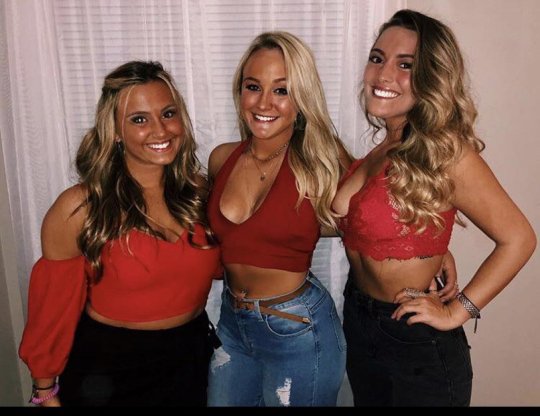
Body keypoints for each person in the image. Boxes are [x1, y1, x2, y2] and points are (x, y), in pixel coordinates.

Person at [333, 9, 537, 406]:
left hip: (415, 342)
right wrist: (435, 248)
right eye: (377, 58)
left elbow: (519, 239)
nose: (383, 74)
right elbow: (387, 221)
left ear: (432, 76)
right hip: (359, 321)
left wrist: (458, 311)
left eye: (405, 65)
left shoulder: (448, 153)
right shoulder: (382, 149)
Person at [18, 61, 222, 407]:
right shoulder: (80, 207)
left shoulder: (199, 193)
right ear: (114, 130)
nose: (160, 130)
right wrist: (45, 390)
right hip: (109, 373)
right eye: (139, 119)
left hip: (189, 361)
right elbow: (52, 309)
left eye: (168, 113)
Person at [205, 31, 351, 407]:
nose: (264, 102)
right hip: (232, 324)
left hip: (298, 328)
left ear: (301, 98)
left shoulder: (319, 159)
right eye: (253, 86)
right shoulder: (221, 158)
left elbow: (374, 212)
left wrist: (434, 254)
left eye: (281, 90)